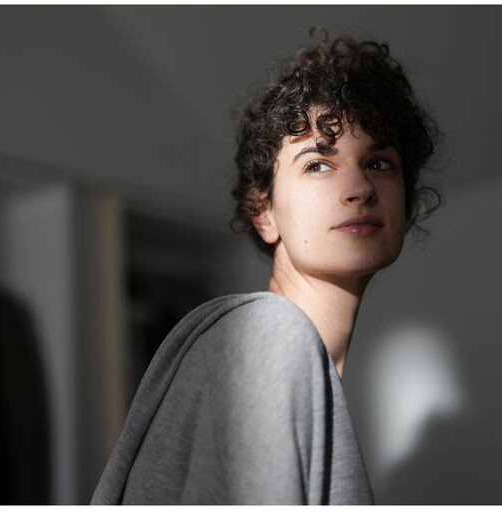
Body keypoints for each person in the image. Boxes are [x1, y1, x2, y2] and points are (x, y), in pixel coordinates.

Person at [91, 31, 440, 505]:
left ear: (407, 201)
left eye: (378, 163)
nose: (360, 188)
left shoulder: (280, 350)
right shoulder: (272, 336)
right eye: (318, 164)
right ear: (263, 212)